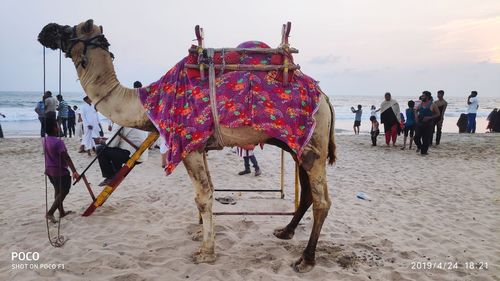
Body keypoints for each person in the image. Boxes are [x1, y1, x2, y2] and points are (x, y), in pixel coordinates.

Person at [43, 118, 79, 223]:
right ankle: (50, 212)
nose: (60, 127)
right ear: (54, 128)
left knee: (57, 190)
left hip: (49, 169)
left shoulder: (45, 139)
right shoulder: (59, 142)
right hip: (59, 171)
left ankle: (62, 212)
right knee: (64, 191)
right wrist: (74, 171)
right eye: (58, 125)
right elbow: (66, 157)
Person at [414, 91, 440, 155]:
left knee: (425, 140)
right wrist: (416, 116)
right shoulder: (421, 104)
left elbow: (438, 114)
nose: (422, 97)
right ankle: (419, 147)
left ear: (427, 97)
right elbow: (416, 111)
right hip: (420, 123)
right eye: (422, 96)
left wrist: (429, 118)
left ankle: (424, 152)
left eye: (423, 96)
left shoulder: (432, 104)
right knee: (416, 138)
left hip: (428, 124)